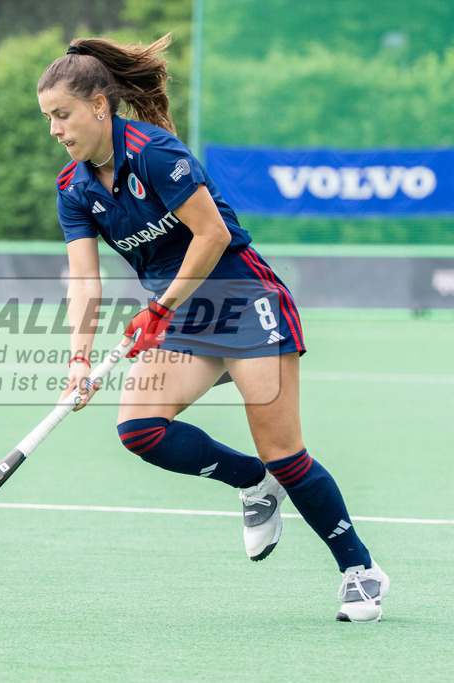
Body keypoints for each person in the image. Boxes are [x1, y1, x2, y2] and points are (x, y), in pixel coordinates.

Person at [39, 36, 388, 622]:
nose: (54, 129)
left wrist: (160, 307)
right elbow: (85, 283)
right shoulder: (73, 189)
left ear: (100, 105)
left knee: (284, 451)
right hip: (182, 316)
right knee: (141, 430)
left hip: (244, 300)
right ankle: (252, 483)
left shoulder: (155, 153)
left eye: (61, 115)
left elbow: (213, 236)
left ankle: (360, 569)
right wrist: (79, 360)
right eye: (48, 118)